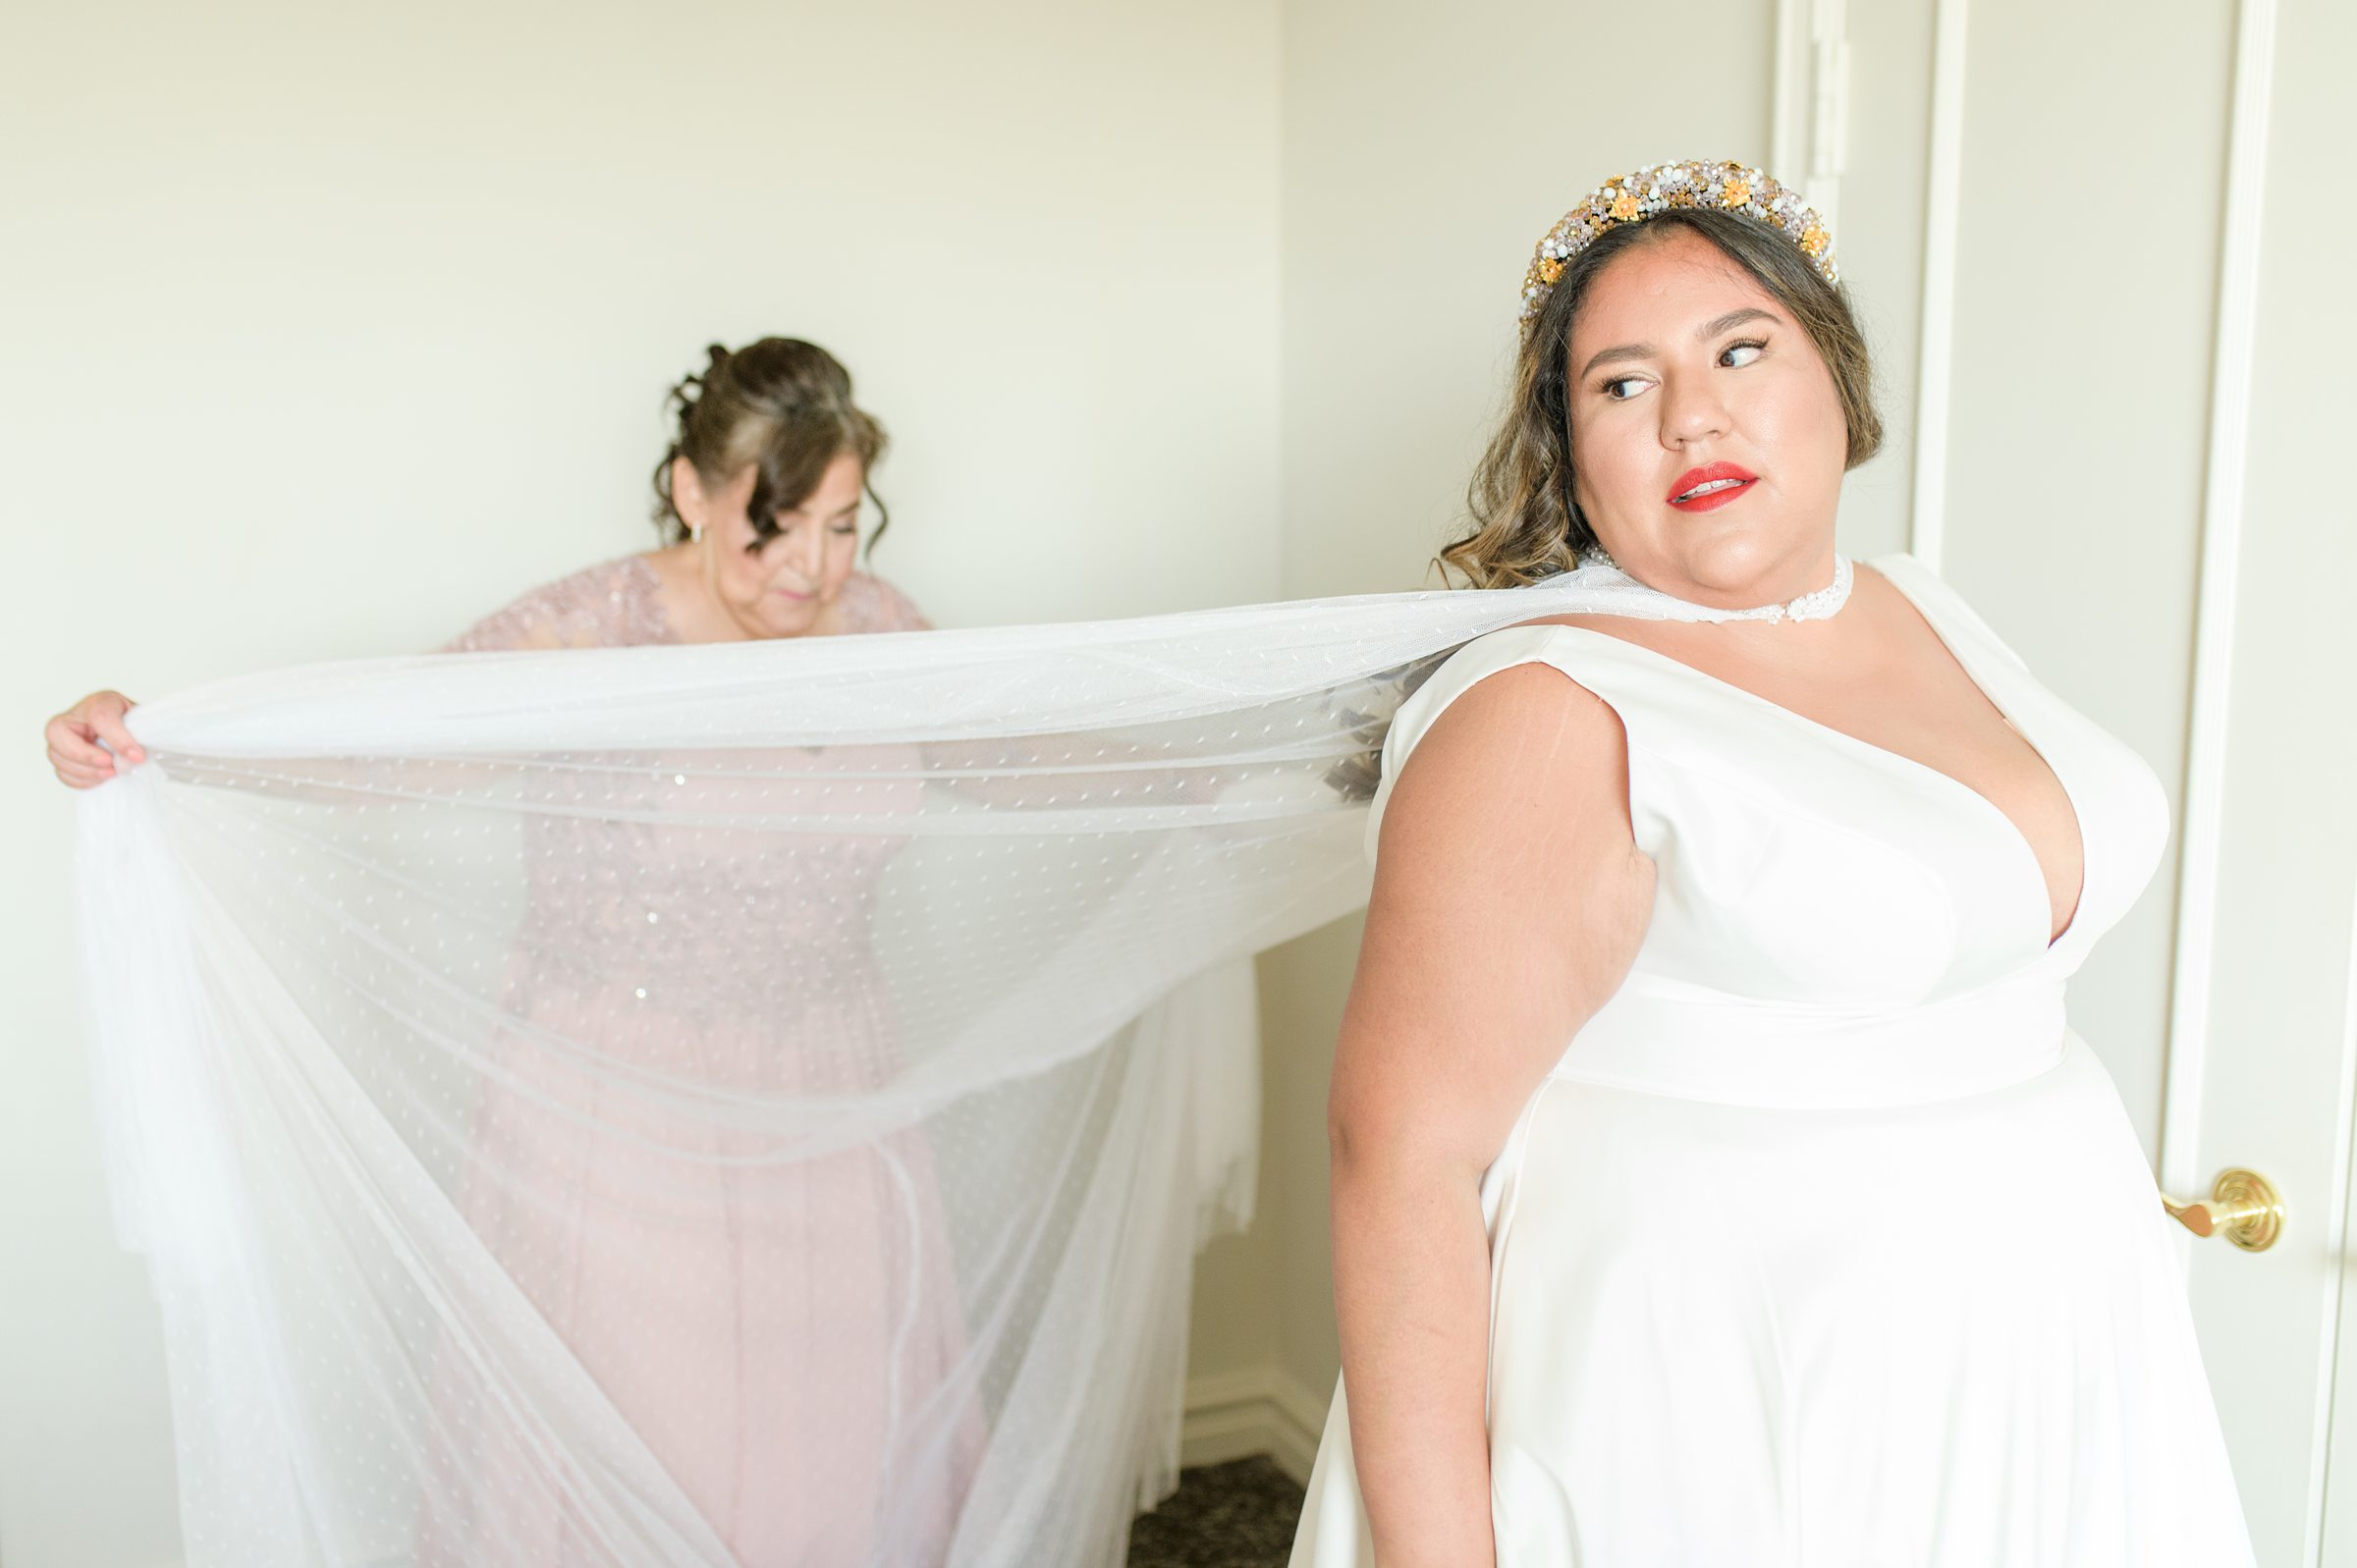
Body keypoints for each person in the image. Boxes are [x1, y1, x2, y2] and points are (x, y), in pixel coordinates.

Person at [1290, 161, 2255, 1566]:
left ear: (1836, 379)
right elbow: (1399, 1161)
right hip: (1726, 1402)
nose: (1694, 414)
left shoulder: (1920, 603)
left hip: (2046, 1354)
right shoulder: (1552, 709)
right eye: (1621, 385)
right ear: (1574, 449)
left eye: (1742, 349)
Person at [47, 338, 978, 1563]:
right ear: (693, 494)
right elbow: (387, 742)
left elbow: (1024, 746)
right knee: (656, 1446)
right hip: (616, 1113)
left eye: (843, 526)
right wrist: (162, 740)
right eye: (774, 527)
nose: (812, 568)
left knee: (831, 1443)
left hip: (829, 1097)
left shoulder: (882, 627)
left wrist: (1246, 753)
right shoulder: (590, 628)